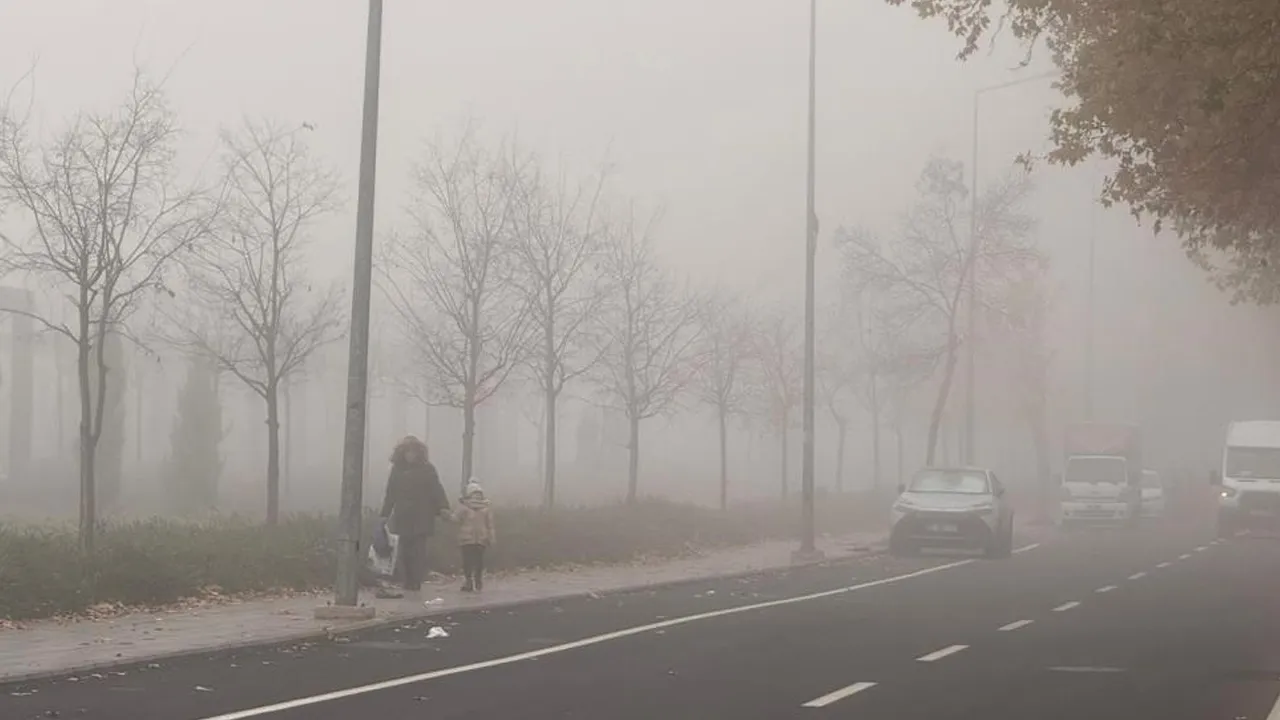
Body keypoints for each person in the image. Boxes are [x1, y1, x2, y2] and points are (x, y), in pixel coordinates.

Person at [378, 436, 450, 599]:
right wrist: (384, 514)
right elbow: (390, 493)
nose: (410, 455)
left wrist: (443, 507)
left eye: (413, 452)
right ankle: (408, 579)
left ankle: (415, 581)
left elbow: (436, 489)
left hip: (422, 515)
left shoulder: (427, 469)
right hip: (403, 515)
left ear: (419, 453)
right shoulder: (397, 470)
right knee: (404, 549)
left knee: (418, 550)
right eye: (407, 452)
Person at [453, 479, 496, 592]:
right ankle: (470, 581)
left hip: (478, 539)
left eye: (478, 494)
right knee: (469, 562)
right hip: (469, 539)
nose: (477, 496)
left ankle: (476, 580)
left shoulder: (485, 508)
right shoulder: (464, 507)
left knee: (477, 561)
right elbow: (455, 519)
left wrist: (491, 537)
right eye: (474, 494)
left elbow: (490, 525)